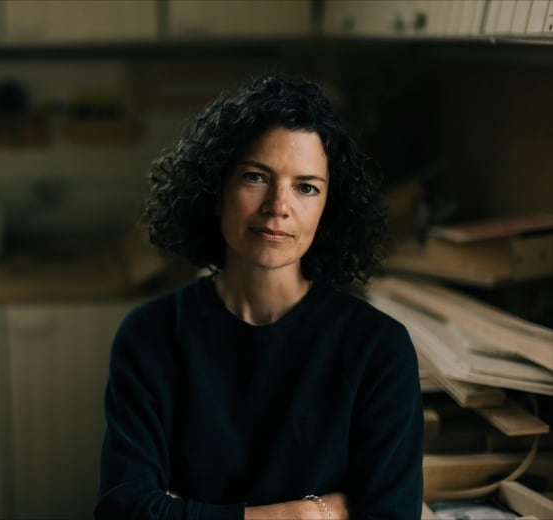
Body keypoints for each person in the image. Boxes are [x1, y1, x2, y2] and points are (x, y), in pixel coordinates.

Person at [94, 73, 424, 519]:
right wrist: (303, 514)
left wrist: (185, 511)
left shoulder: (378, 349)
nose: (278, 206)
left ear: (329, 208)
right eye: (255, 177)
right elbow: (124, 511)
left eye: (306, 187)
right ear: (214, 190)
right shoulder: (151, 335)